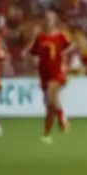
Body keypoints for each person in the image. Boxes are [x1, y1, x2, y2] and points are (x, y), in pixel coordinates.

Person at [28, 11, 73, 143]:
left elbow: (70, 47)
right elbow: (33, 52)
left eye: (50, 19)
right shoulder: (40, 37)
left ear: (55, 21)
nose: (48, 21)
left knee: (51, 101)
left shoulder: (60, 36)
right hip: (44, 74)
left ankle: (46, 131)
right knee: (50, 102)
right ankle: (62, 120)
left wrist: (65, 63)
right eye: (46, 19)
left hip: (57, 73)